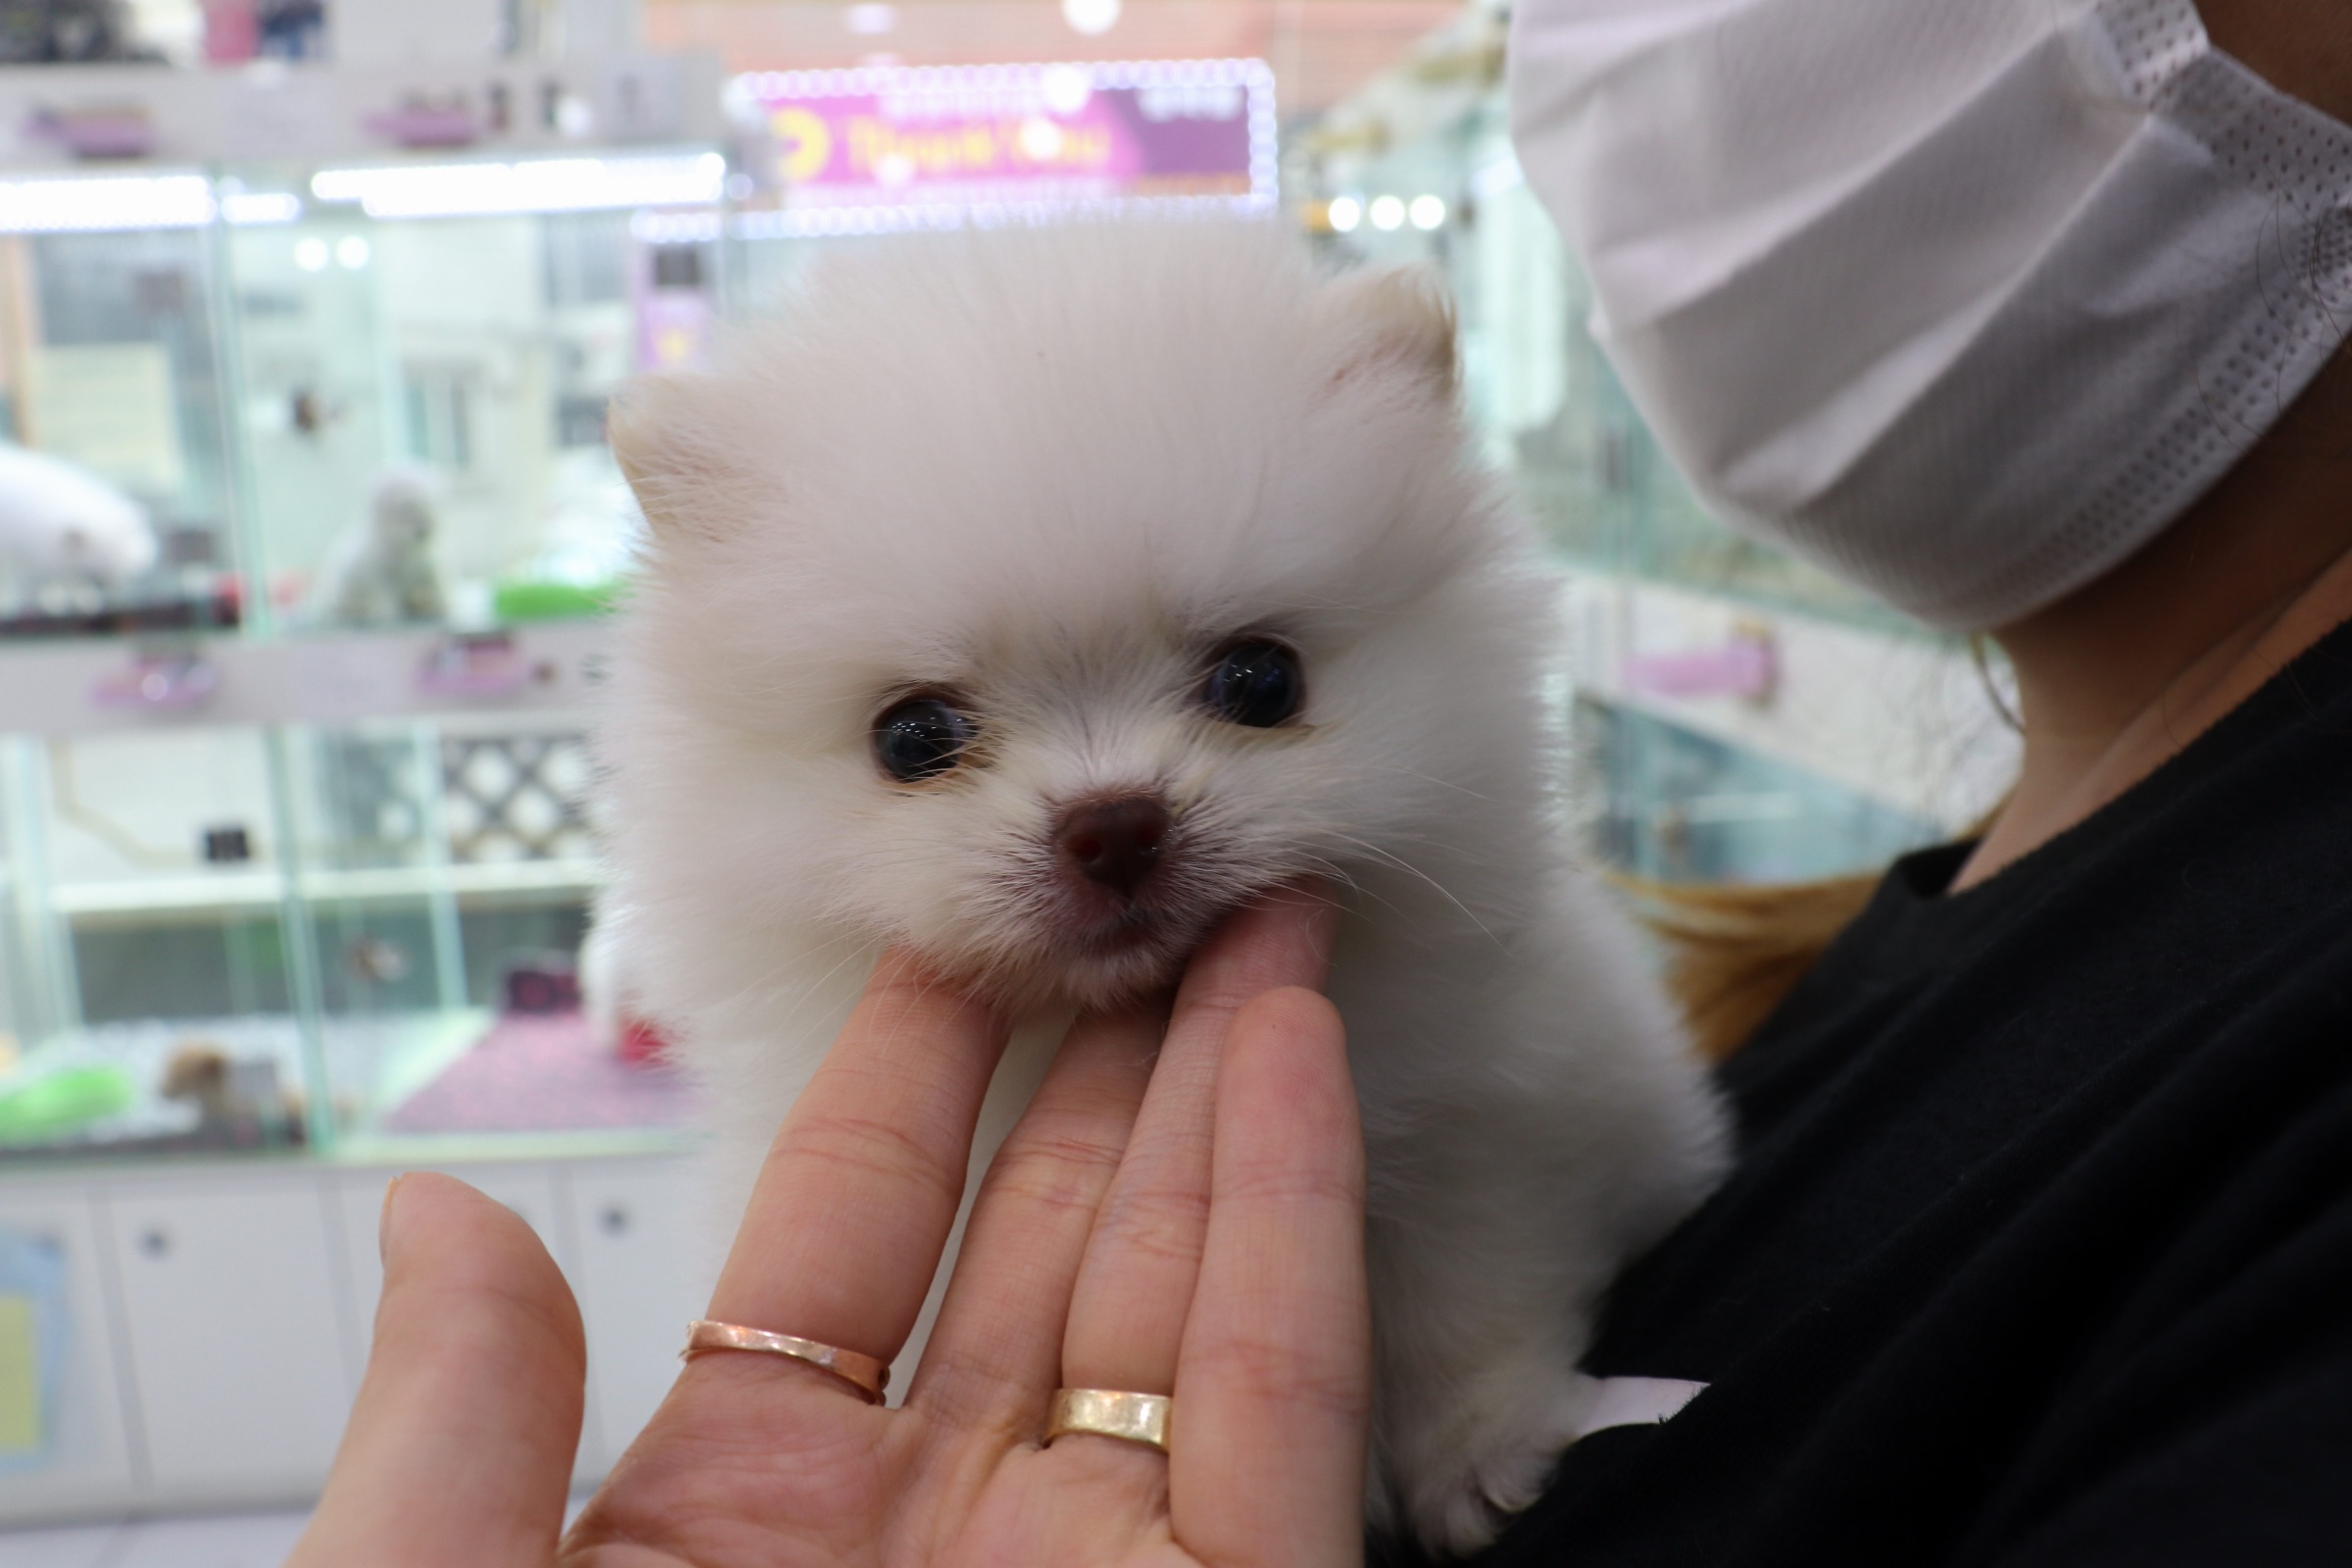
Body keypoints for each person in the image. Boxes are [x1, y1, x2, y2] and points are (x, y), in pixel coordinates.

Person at [290, 0, 2352, 1562]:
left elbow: (1545, 1145)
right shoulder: (1924, 952)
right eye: (929, 740)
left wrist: (1463, 1379)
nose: (1110, 801)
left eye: (1250, 686)